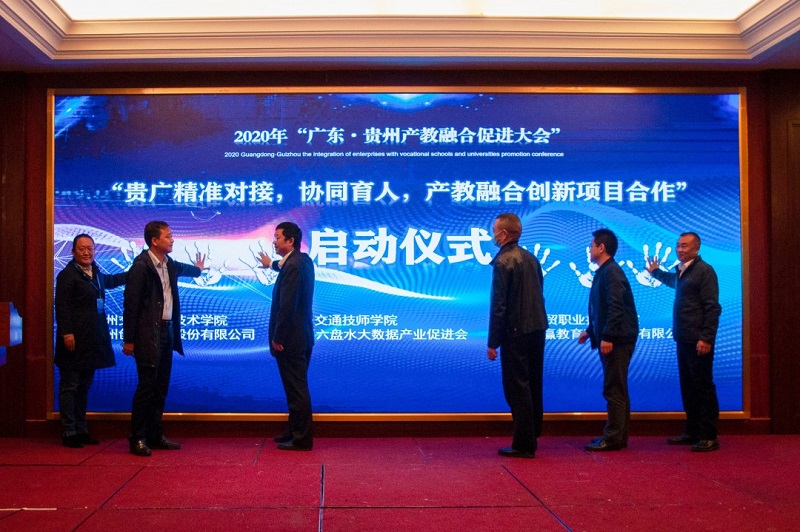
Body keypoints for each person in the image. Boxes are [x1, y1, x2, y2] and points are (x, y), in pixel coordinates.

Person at [122, 221, 205, 457]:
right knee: (146, 387)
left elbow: (187, 269)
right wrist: (129, 339)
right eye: (168, 236)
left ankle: (155, 435)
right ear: (154, 240)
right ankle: (137, 437)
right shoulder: (141, 267)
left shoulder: (168, 264)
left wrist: (198, 269)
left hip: (166, 332)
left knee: (161, 387)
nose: (172, 239)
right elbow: (131, 305)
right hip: (147, 334)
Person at [647, 232, 722, 452]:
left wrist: (706, 337)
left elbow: (712, 308)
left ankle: (709, 436)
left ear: (697, 248)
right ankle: (692, 431)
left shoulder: (704, 271)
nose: (680, 249)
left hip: (699, 340)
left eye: (685, 246)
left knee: (703, 388)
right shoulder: (682, 271)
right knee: (688, 388)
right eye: (678, 245)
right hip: (683, 338)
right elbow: (674, 282)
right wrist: (656, 272)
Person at [54, 234, 128, 448]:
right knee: (70, 386)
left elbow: (111, 281)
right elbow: (62, 306)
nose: (86, 252)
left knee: (84, 386)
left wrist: (134, 272)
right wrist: (67, 333)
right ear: (73, 251)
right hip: (73, 341)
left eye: (90, 248)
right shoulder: (68, 275)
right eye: (81, 248)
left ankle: (81, 429)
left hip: (92, 339)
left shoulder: (95, 272)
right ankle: (69, 432)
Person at [487, 213, 548, 459]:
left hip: (516, 332)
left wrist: (493, 342)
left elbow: (499, 306)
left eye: (494, 230)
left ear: (503, 234)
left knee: (517, 387)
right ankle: (532, 433)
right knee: (533, 383)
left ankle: (523, 443)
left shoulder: (503, 261)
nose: (493, 234)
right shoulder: (531, 259)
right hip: (537, 329)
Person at [578, 228, 639, 452]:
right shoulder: (605, 271)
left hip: (618, 339)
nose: (589, 250)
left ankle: (613, 438)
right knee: (617, 388)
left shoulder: (611, 272)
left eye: (591, 245)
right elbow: (602, 308)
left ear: (601, 247)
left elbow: (616, 307)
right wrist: (590, 331)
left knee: (614, 388)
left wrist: (608, 336)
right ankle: (617, 436)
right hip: (614, 336)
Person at [265, 221, 315, 451]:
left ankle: (301, 438)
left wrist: (278, 338)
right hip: (302, 336)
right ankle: (293, 431)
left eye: (277, 238)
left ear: (290, 240)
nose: (274, 242)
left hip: (290, 339)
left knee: (296, 389)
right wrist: (270, 264)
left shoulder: (293, 266)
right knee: (294, 387)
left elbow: (287, 307)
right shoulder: (302, 260)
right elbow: (283, 265)